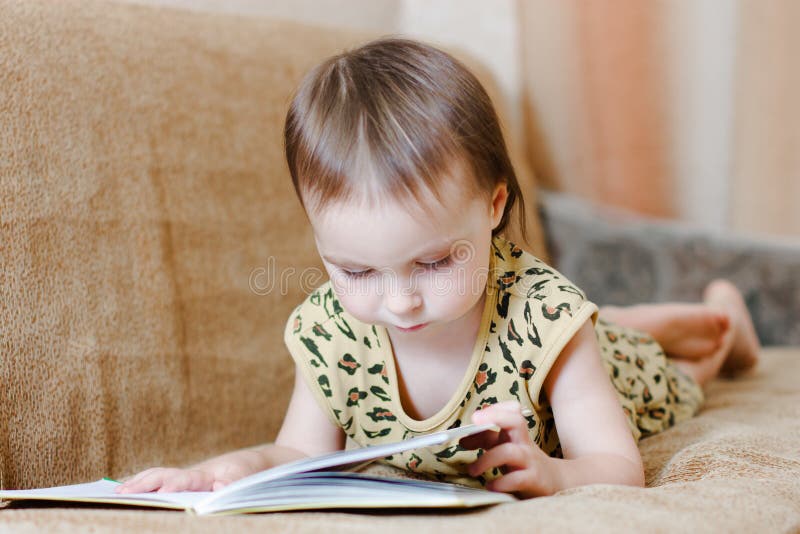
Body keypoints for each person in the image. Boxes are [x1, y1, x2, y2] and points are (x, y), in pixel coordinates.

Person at [116, 37, 760, 498]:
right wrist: (221, 471)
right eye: (356, 271)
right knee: (582, 325)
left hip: (598, 369)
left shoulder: (543, 314)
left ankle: (721, 325)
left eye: (430, 261)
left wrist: (556, 472)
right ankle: (623, 320)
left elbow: (617, 465)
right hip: (551, 332)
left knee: (684, 372)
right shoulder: (330, 332)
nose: (399, 302)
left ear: (494, 205)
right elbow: (299, 454)